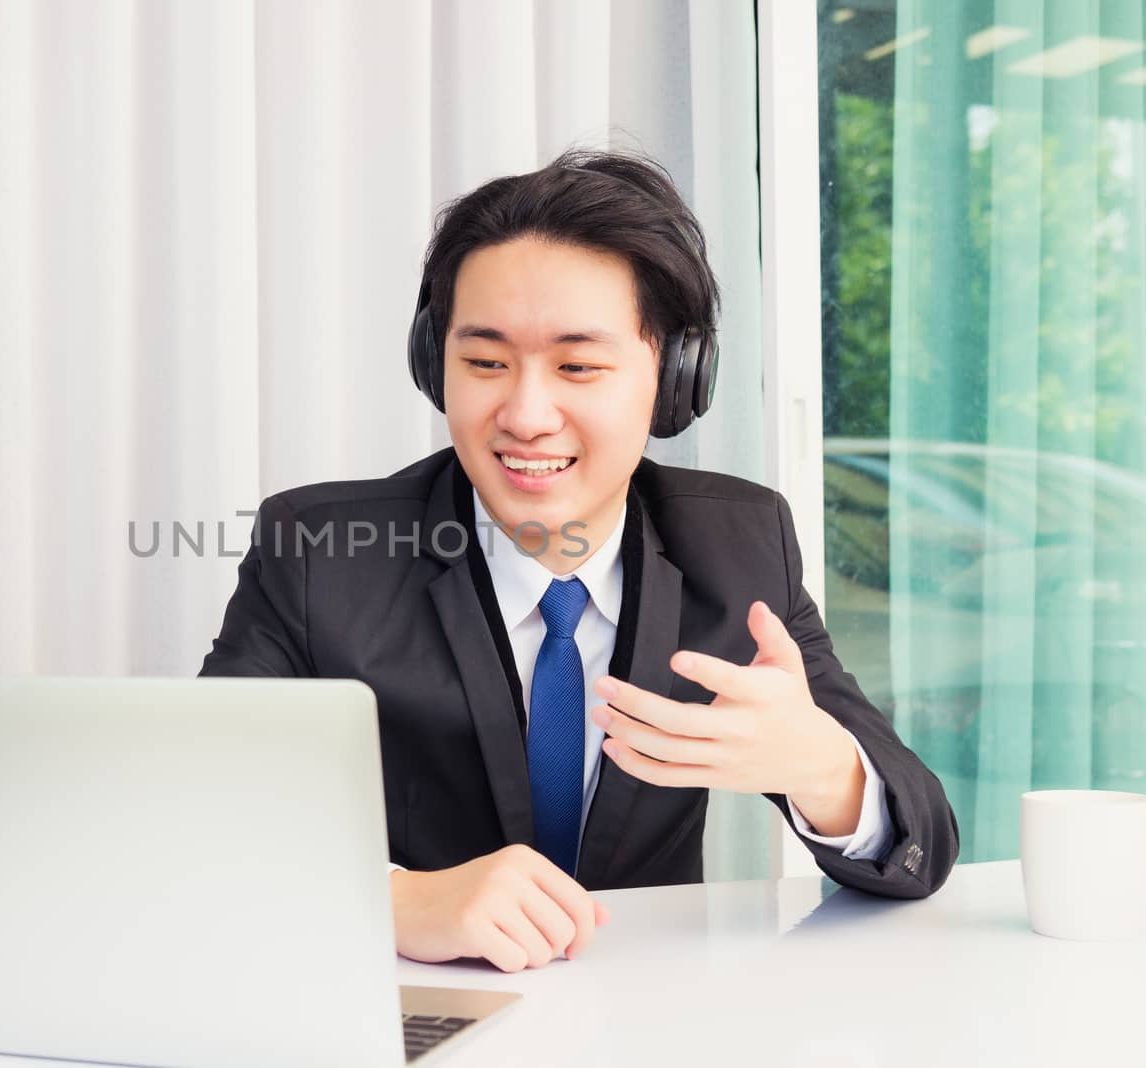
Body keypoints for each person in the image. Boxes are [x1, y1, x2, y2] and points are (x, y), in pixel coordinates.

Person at [199, 147, 959, 974]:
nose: (525, 414)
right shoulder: (316, 553)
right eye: (485, 363)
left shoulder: (740, 543)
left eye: (578, 366)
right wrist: (391, 898)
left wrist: (823, 767)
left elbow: (921, 843)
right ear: (434, 364)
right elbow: (197, 816)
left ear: (673, 378)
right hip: (402, 1019)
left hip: (644, 1025)